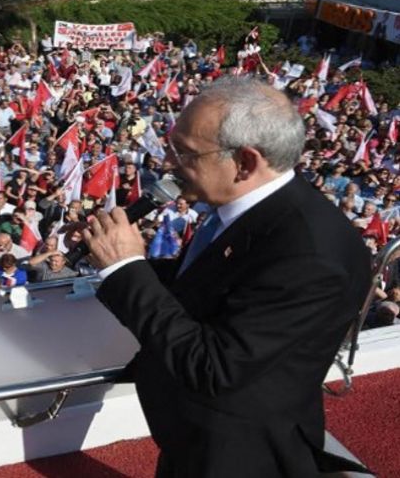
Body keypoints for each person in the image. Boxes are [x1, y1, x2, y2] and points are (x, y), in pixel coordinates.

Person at [82, 77, 372, 477]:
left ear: (245, 162)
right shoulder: (245, 208)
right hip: (194, 437)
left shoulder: (311, 256)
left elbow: (214, 368)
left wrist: (125, 269)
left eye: (185, 153)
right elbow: (207, 282)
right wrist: (112, 257)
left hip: (238, 455)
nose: (168, 163)